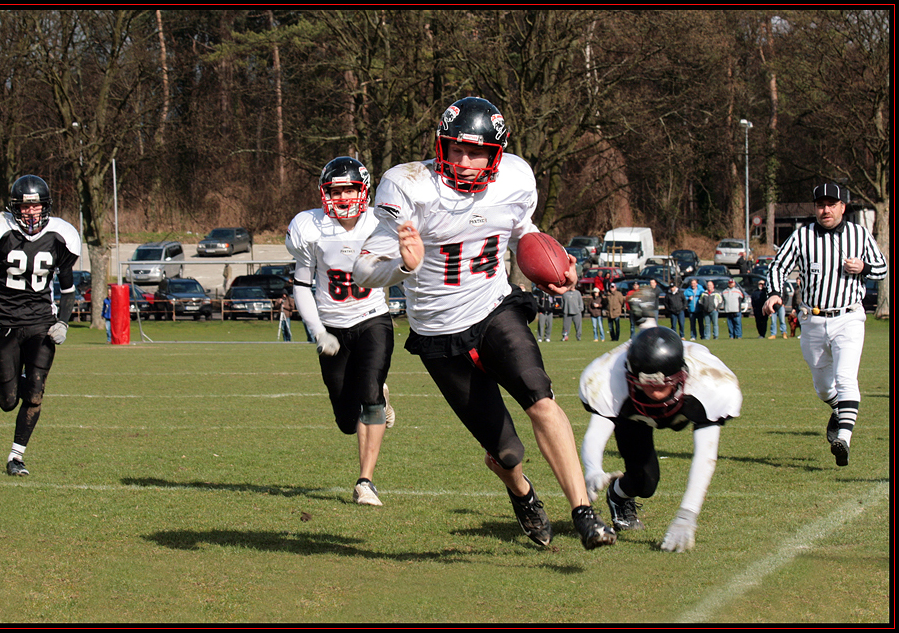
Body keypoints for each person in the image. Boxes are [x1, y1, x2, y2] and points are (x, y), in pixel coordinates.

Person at [353, 96, 615, 549]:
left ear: (496, 154)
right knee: (507, 451)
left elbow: (523, 230)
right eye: (455, 149)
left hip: (494, 309)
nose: (464, 161)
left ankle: (584, 512)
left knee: (541, 399)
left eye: (476, 152)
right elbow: (363, 269)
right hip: (438, 333)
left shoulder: (515, 177)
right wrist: (405, 265)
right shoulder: (408, 185)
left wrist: (554, 268)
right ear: (441, 146)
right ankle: (521, 491)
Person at [286, 156, 397, 505]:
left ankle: (366, 482)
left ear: (364, 191)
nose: (344, 196)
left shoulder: (381, 224)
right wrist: (318, 331)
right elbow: (302, 284)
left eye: (350, 188)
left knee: (369, 397)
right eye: (336, 190)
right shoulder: (310, 227)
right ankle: (377, 391)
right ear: (324, 193)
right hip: (331, 325)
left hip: (372, 317)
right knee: (346, 420)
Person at [579, 319, 742, 553]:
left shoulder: (711, 383)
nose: (655, 392)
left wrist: (687, 515)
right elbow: (597, 432)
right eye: (647, 384)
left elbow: (705, 456)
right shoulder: (609, 377)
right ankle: (618, 496)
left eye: (662, 384)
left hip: (681, 408)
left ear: (680, 375)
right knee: (645, 483)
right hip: (634, 416)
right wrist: (593, 468)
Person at [764, 183, 887, 467]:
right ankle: (838, 410)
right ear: (815, 208)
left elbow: (882, 268)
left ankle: (843, 438)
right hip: (813, 319)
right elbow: (778, 266)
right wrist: (774, 293)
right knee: (822, 387)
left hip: (849, 316)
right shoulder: (802, 235)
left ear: (843, 207)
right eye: (821, 204)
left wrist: (864, 268)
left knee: (846, 378)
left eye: (832, 204)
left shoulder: (859, 234)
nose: (826, 210)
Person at [0, 175, 81, 476]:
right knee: (7, 401)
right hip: (5, 323)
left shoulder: (59, 237)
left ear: (46, 207)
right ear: (14, 208)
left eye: (37, 206)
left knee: (34, 393)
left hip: (41, 323)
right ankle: (15, 373)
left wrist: (63, 323)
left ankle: (16, 457)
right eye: (25, 207)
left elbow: (68, 291)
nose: (31, 212)